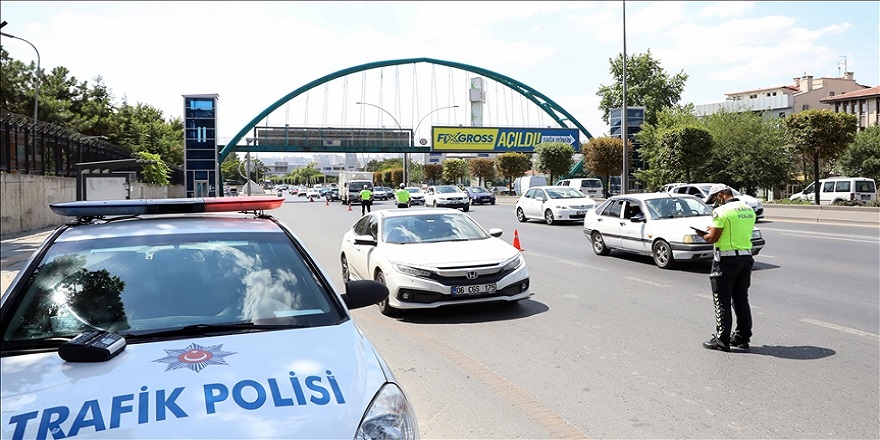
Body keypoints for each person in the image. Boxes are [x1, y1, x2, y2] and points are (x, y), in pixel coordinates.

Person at [697, 184, 756, 352]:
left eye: (716, 198)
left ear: (721, 195)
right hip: (745, 258)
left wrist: (703, 234)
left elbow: (712, 238)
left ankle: (722, 340)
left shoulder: (721, 212)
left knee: (721, 300)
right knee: (741, 299)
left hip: (726, 260)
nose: (716, 202)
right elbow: (736, 230)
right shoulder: (748, 209)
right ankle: (742, 338)